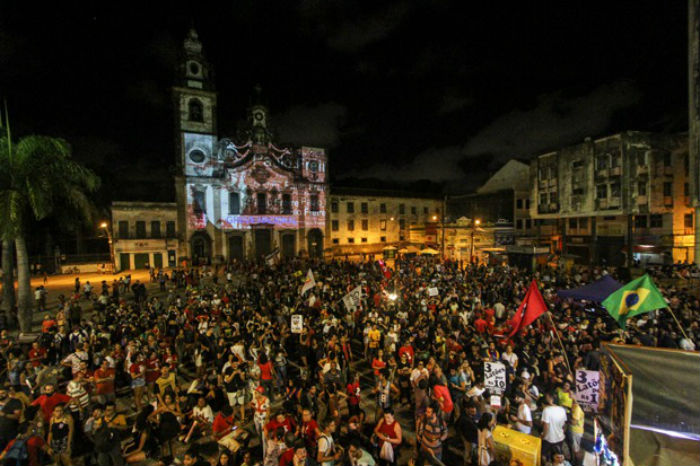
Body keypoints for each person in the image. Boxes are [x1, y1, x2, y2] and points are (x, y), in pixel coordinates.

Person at [541, 391, 568, 462]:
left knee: (543, 454)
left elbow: (546, 426)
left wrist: (543, 436)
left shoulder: (546, 410)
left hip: (549, 438)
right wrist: (562, 433)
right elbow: (564, 425)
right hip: (560, 438)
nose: (546, 398)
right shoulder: (562, 410)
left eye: (547, 397)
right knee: (556, 455)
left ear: (551, 399)